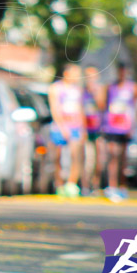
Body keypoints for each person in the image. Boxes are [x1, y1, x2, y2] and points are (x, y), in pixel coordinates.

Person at [102, 64, 137, 202]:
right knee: (112, 156)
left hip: (125, 127)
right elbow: (104, 106)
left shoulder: (133, 88)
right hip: (112, 127)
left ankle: (122, 186)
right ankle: (112, 186)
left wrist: (133, 126)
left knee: (123, 158)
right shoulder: (110, 87)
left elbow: (135, 108)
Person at [48, 63, 86, 198]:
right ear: (66, 73)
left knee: (75, 155)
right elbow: (55, 108)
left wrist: (83, 127)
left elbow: (81, 109)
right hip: (60, 126)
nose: (78, 76)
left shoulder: (78, 90)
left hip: (75, 126)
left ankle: (71, 183)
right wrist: (62, 126)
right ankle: (59, 185)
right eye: (75, 73)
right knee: (57, 157)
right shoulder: (55, 88)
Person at [82, 66, 106, 196]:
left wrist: (95, 93)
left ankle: (95, 185)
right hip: (86, 130)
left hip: (99, 129)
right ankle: (85, 186)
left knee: (99, 160)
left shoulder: (100, 90)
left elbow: (102, 105)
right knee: (88, 160)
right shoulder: (81, 91)